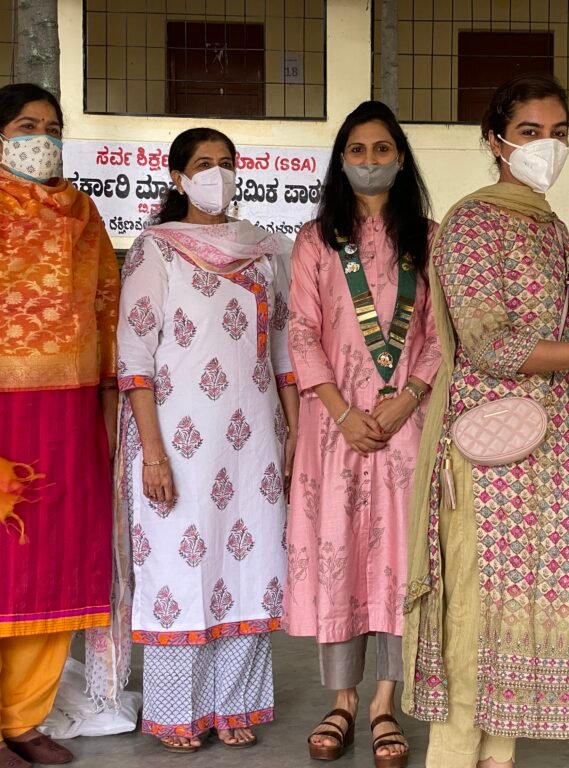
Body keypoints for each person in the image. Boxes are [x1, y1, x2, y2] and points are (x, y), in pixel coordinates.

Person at [402, 73, 569, 768]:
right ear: (496, 141)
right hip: (487, 455)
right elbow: (490, 342)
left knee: (516, 611)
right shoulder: (473, 222)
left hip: (541, 455)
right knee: (474, 614)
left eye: (559, 132)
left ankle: (498, 756)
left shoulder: (551, 226)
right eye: (530, 133)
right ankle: (453, 756)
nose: (549, 145)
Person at [116, 127, 298, 753]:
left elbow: (282, 351)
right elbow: (135, 356)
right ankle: (177, 711)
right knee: (178, 567)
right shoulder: (155, 250)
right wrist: (154, 452)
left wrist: (295, 433)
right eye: (202, 164)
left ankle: (235, 705)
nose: (215, 174)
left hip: (253, 446)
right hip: (175, 439)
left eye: (225, 164)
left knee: (247, 564)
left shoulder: (267, 252)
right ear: (177, 178)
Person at [285, 101, 439, 767]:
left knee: (400, 560)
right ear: (341, 159)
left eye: (382, 149)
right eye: (358, 149)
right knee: (340, 556)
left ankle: (384, 703)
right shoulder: (315, 239)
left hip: (405, 431)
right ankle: (341, 700)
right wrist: (343, 412)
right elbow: (300, 331)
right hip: (334, 429)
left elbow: (441, 338)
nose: (371, 161)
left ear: (401, 158)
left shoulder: (430, 238)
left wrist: (407, 400)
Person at [0, 82, 118, 768]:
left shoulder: (81, 211)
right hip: (5, 403)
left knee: (57, 558)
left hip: (70, 405)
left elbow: (106, 298)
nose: (41, 138)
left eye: (51, 127)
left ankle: (24, 717)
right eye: (25, 125)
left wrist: (107, 393)